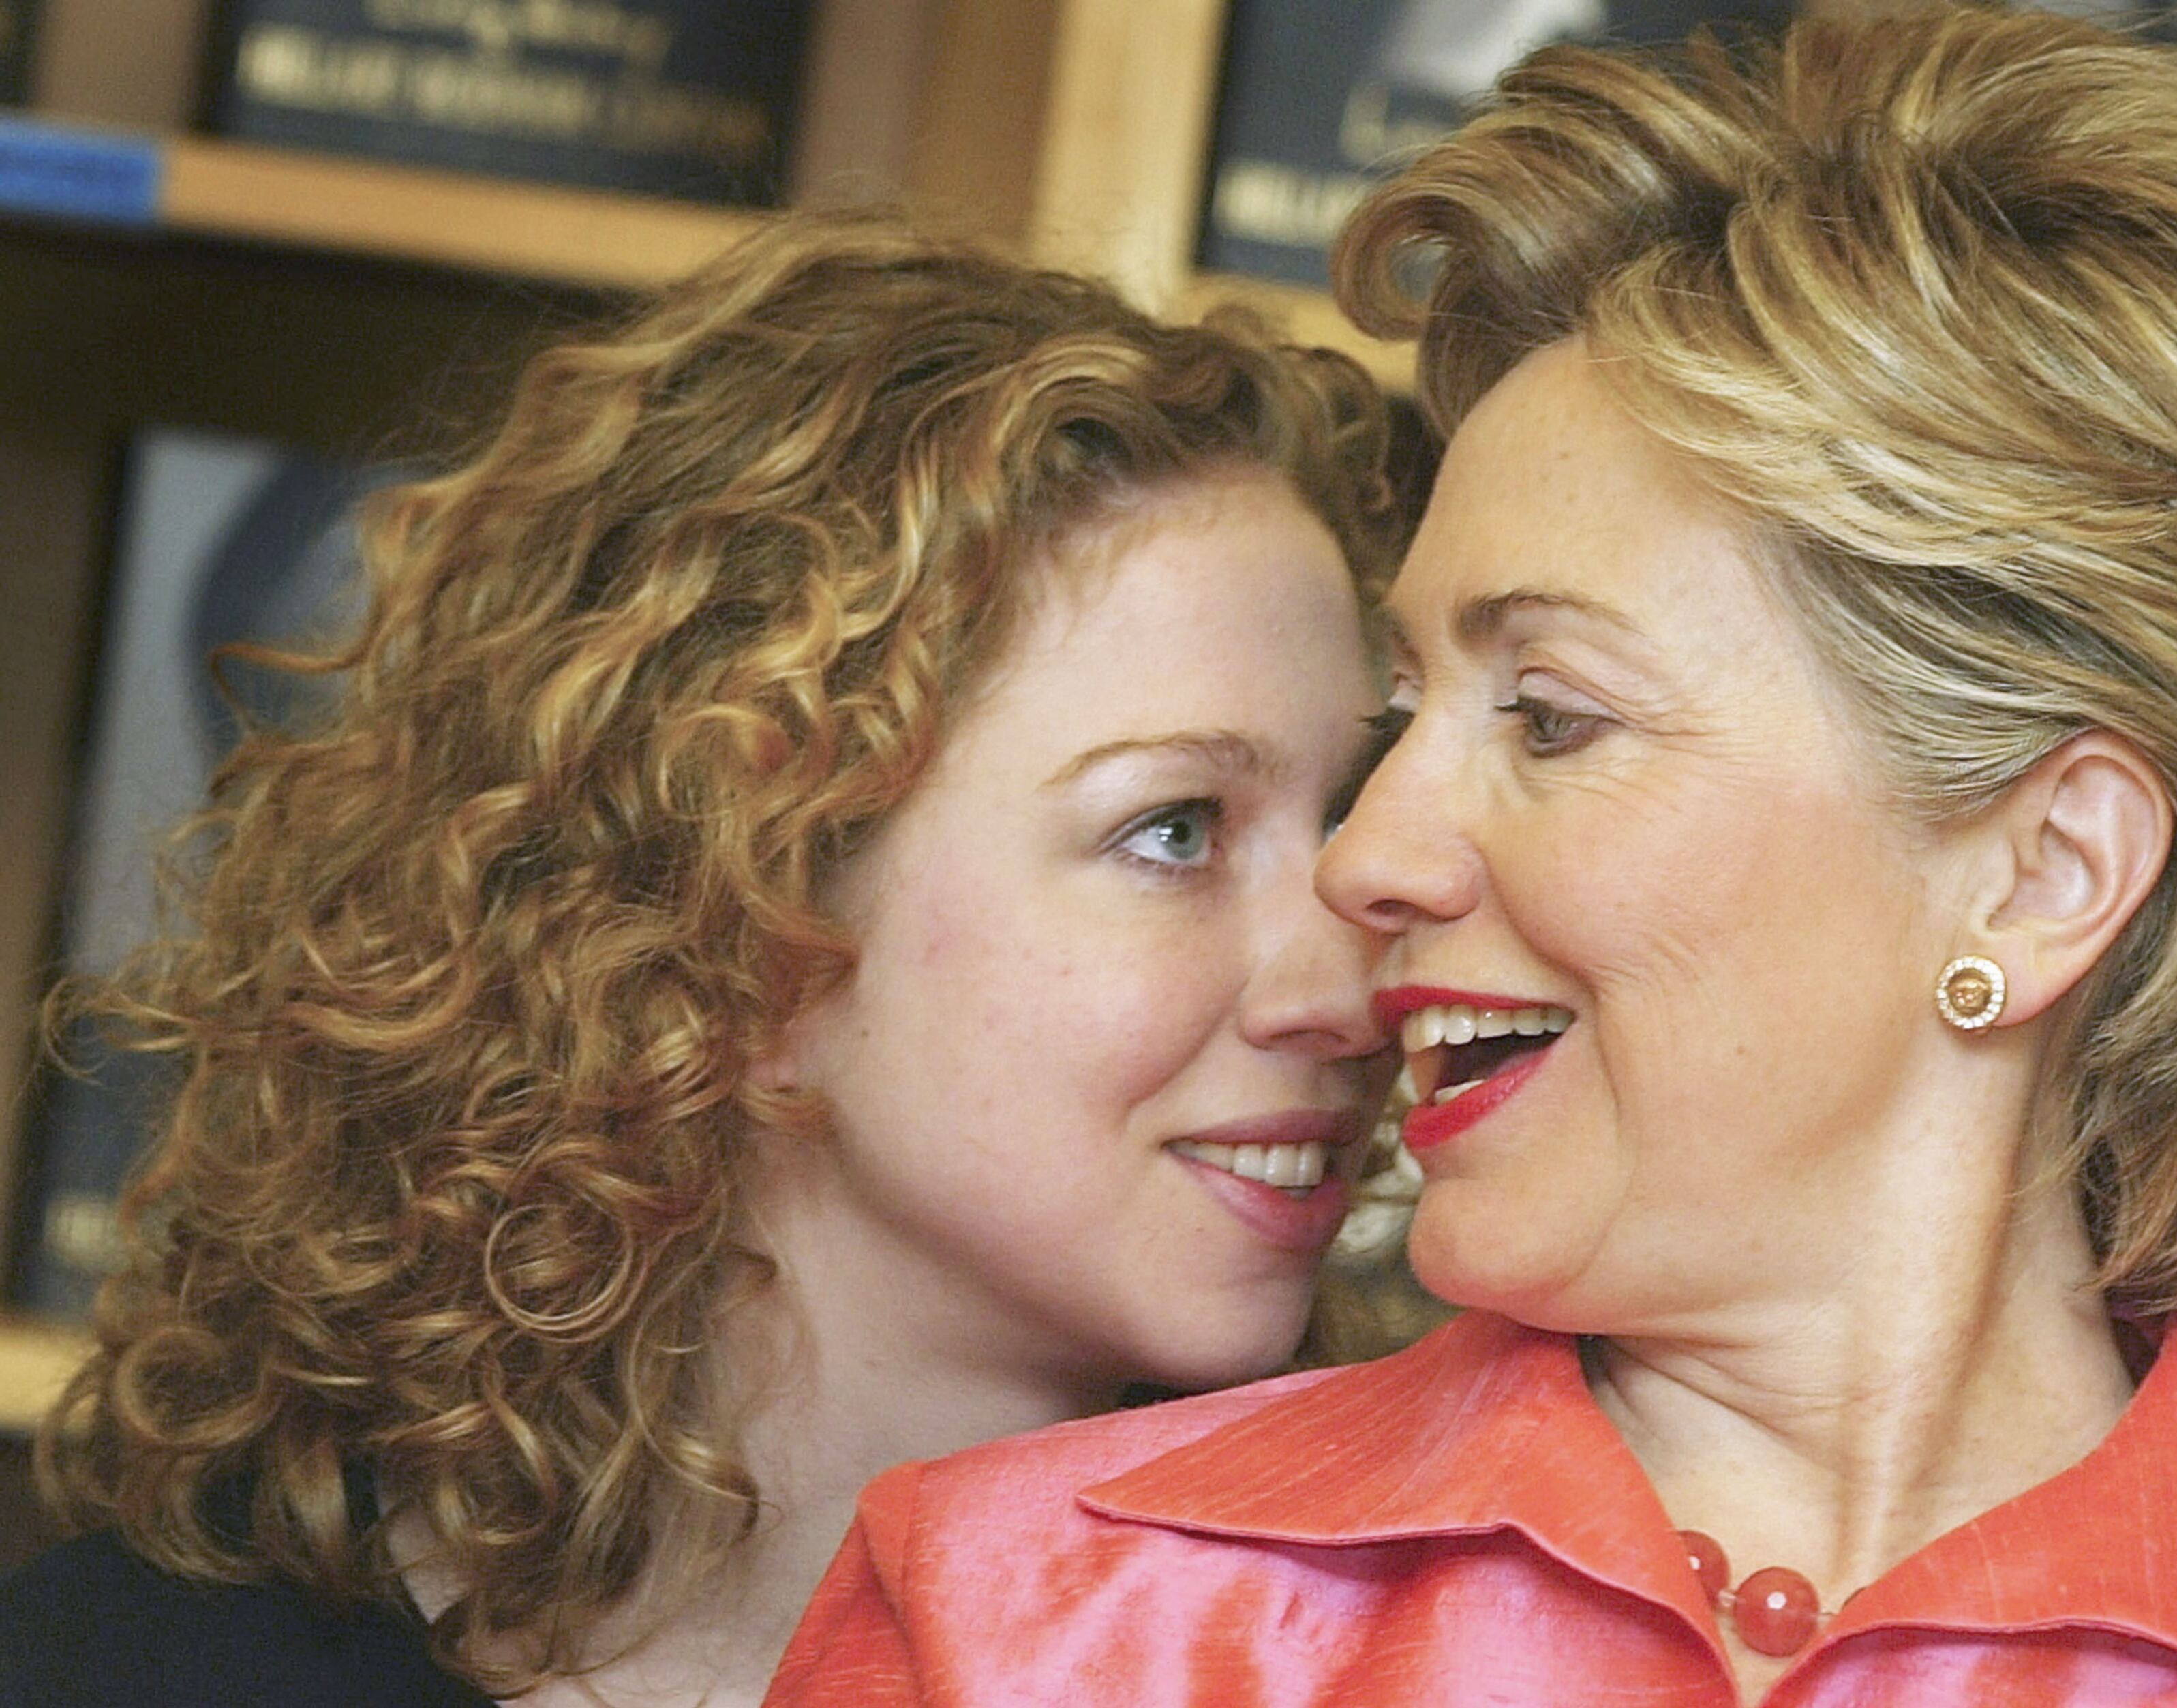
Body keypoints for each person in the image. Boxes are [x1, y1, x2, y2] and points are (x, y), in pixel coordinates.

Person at [761, 8, 2177, 1706]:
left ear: (2048, 871)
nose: (1369, 856)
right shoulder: (1030, 1626)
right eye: (1409, 709)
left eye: (1553, 716)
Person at [0, 210, 1403, 1707]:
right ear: (746, 896)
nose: (1350, 985)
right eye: (1175, 830)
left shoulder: (1453, 1658)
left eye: (1350, 818)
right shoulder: (129, 1668)